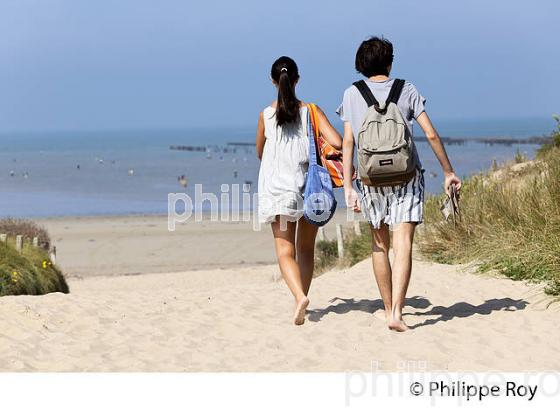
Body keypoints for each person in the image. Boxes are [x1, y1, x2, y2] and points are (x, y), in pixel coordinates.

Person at [338, 37, 462, 332]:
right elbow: (430, 134)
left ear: (361, 65)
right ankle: (396, 312)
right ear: (390, 62)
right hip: (406, 176)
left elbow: (348, 141)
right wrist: (448, 172)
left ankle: (385, 307)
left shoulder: (352, 94)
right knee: (402, 242)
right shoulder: (406, 89)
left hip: (369, 179)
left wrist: (348, 186)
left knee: (379, 244)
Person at [256, 56, 343, 326]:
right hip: (309, 189)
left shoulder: (266, 115)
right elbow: (338, 142)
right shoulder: (312, 111)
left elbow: (261, 153)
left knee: (284, 251)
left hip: (278, 192)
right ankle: (301, 297)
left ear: (273, 81)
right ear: (297, 80)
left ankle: (298, 298)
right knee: (305, 249)